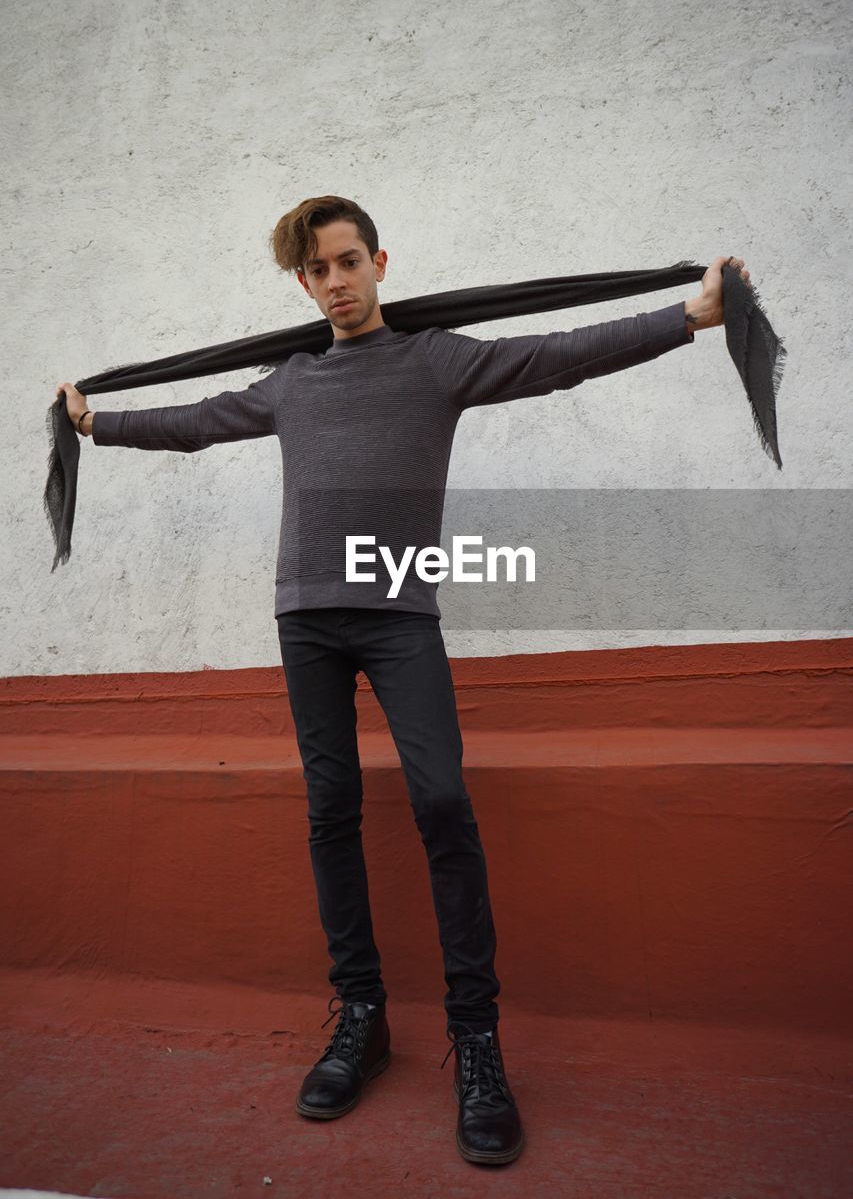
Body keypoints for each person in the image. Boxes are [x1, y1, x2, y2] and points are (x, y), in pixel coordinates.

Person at [56, 195, 752, 1167]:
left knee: (440, 799)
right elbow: (202, 418)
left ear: (379, 261)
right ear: (302, 282)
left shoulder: (440, 361)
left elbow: (558, 353)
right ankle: (364, 1015)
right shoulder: (292, 379)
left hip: (397, 614)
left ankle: (477, 1038)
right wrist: (102, 424)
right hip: (305, 615)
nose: (336, 282)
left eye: (349, 261)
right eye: (317, 271)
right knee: (330, 805)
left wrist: (687, 315)